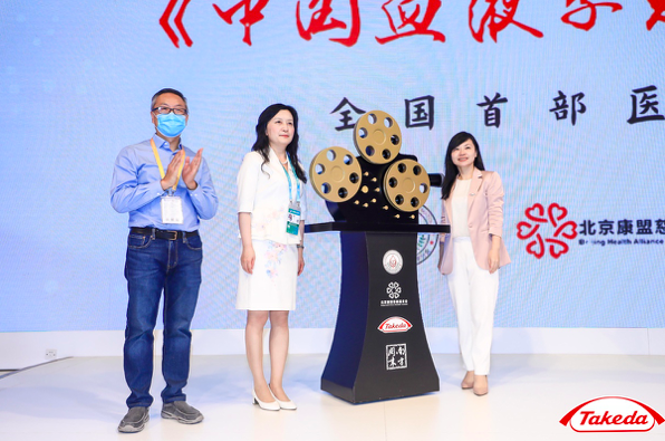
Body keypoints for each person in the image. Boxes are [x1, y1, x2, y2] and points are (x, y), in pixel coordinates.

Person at [110, 88, 218, 432]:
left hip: (188, 247)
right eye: (165, 109)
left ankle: (174, 398)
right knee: (140, 327)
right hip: (146, 245)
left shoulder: (195, 159)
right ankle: (138, 403)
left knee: (179, 328)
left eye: (179, 110)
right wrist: (163, 183)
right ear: (152, 114)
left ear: (187, 116)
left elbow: (210, 209)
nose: (172, 115)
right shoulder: (133, 153)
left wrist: (191, 184)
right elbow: (119, 200)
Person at [236, 104, 307, 411]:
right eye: (278, 121)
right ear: (265, 127)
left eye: (290, 122)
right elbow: (244, 207)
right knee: (257, 317)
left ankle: (276, 384)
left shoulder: (295, 165)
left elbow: (299, 212)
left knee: (281, 318)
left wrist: (300, 248)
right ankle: (259, 385)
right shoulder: (254, 160)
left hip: (287, 248)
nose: (285, 127)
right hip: (261, 246)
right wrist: (247, 246)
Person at [438, 132, 510, 396]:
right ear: (451, 156)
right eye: (456, 149)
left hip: (481, 251)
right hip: (455, 253)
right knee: (463, 314)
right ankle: (469, 366)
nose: (462, 153)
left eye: (467, 148)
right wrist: (441, 255)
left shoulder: (489, 178)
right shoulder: (450, 184)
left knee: (481, 313)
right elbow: (445, 222)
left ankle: (481, 372)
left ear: (476, 152)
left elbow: (496, 215)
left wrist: (495, 248)